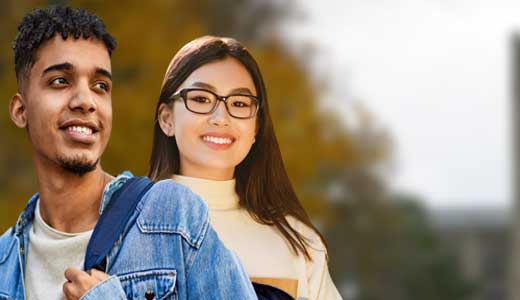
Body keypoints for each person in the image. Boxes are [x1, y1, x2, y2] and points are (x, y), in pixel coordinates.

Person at [0, 6, 257, 299]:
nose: (86, 101)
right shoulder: (4, 264)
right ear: (21, 111)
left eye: (100, 86)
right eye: (60, 81)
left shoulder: (172, 218)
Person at [149, 35, 342, 299]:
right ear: (166, 118)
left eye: (239, 103)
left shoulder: (300, 244)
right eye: (202, 99)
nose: (221, 118)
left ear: (256, 128)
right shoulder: (123, 225)